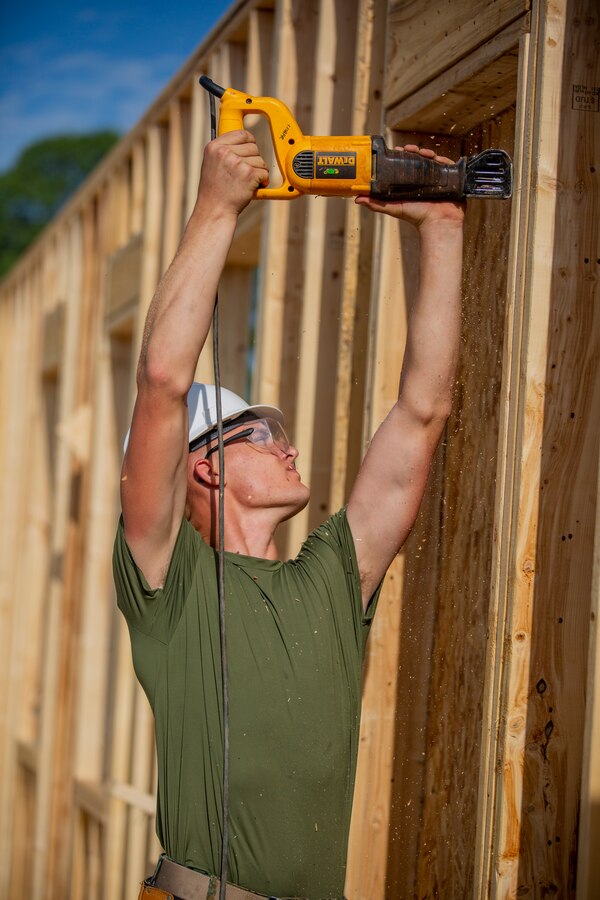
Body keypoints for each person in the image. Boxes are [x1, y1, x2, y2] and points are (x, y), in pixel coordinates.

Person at [113, 129, 464, 900]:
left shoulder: (332, 580)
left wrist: (442, 227)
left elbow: (421, 414)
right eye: (261, 434)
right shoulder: (168, 587)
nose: (289, 447)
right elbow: (165, 380)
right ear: (205, 464)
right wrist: (216, 209)